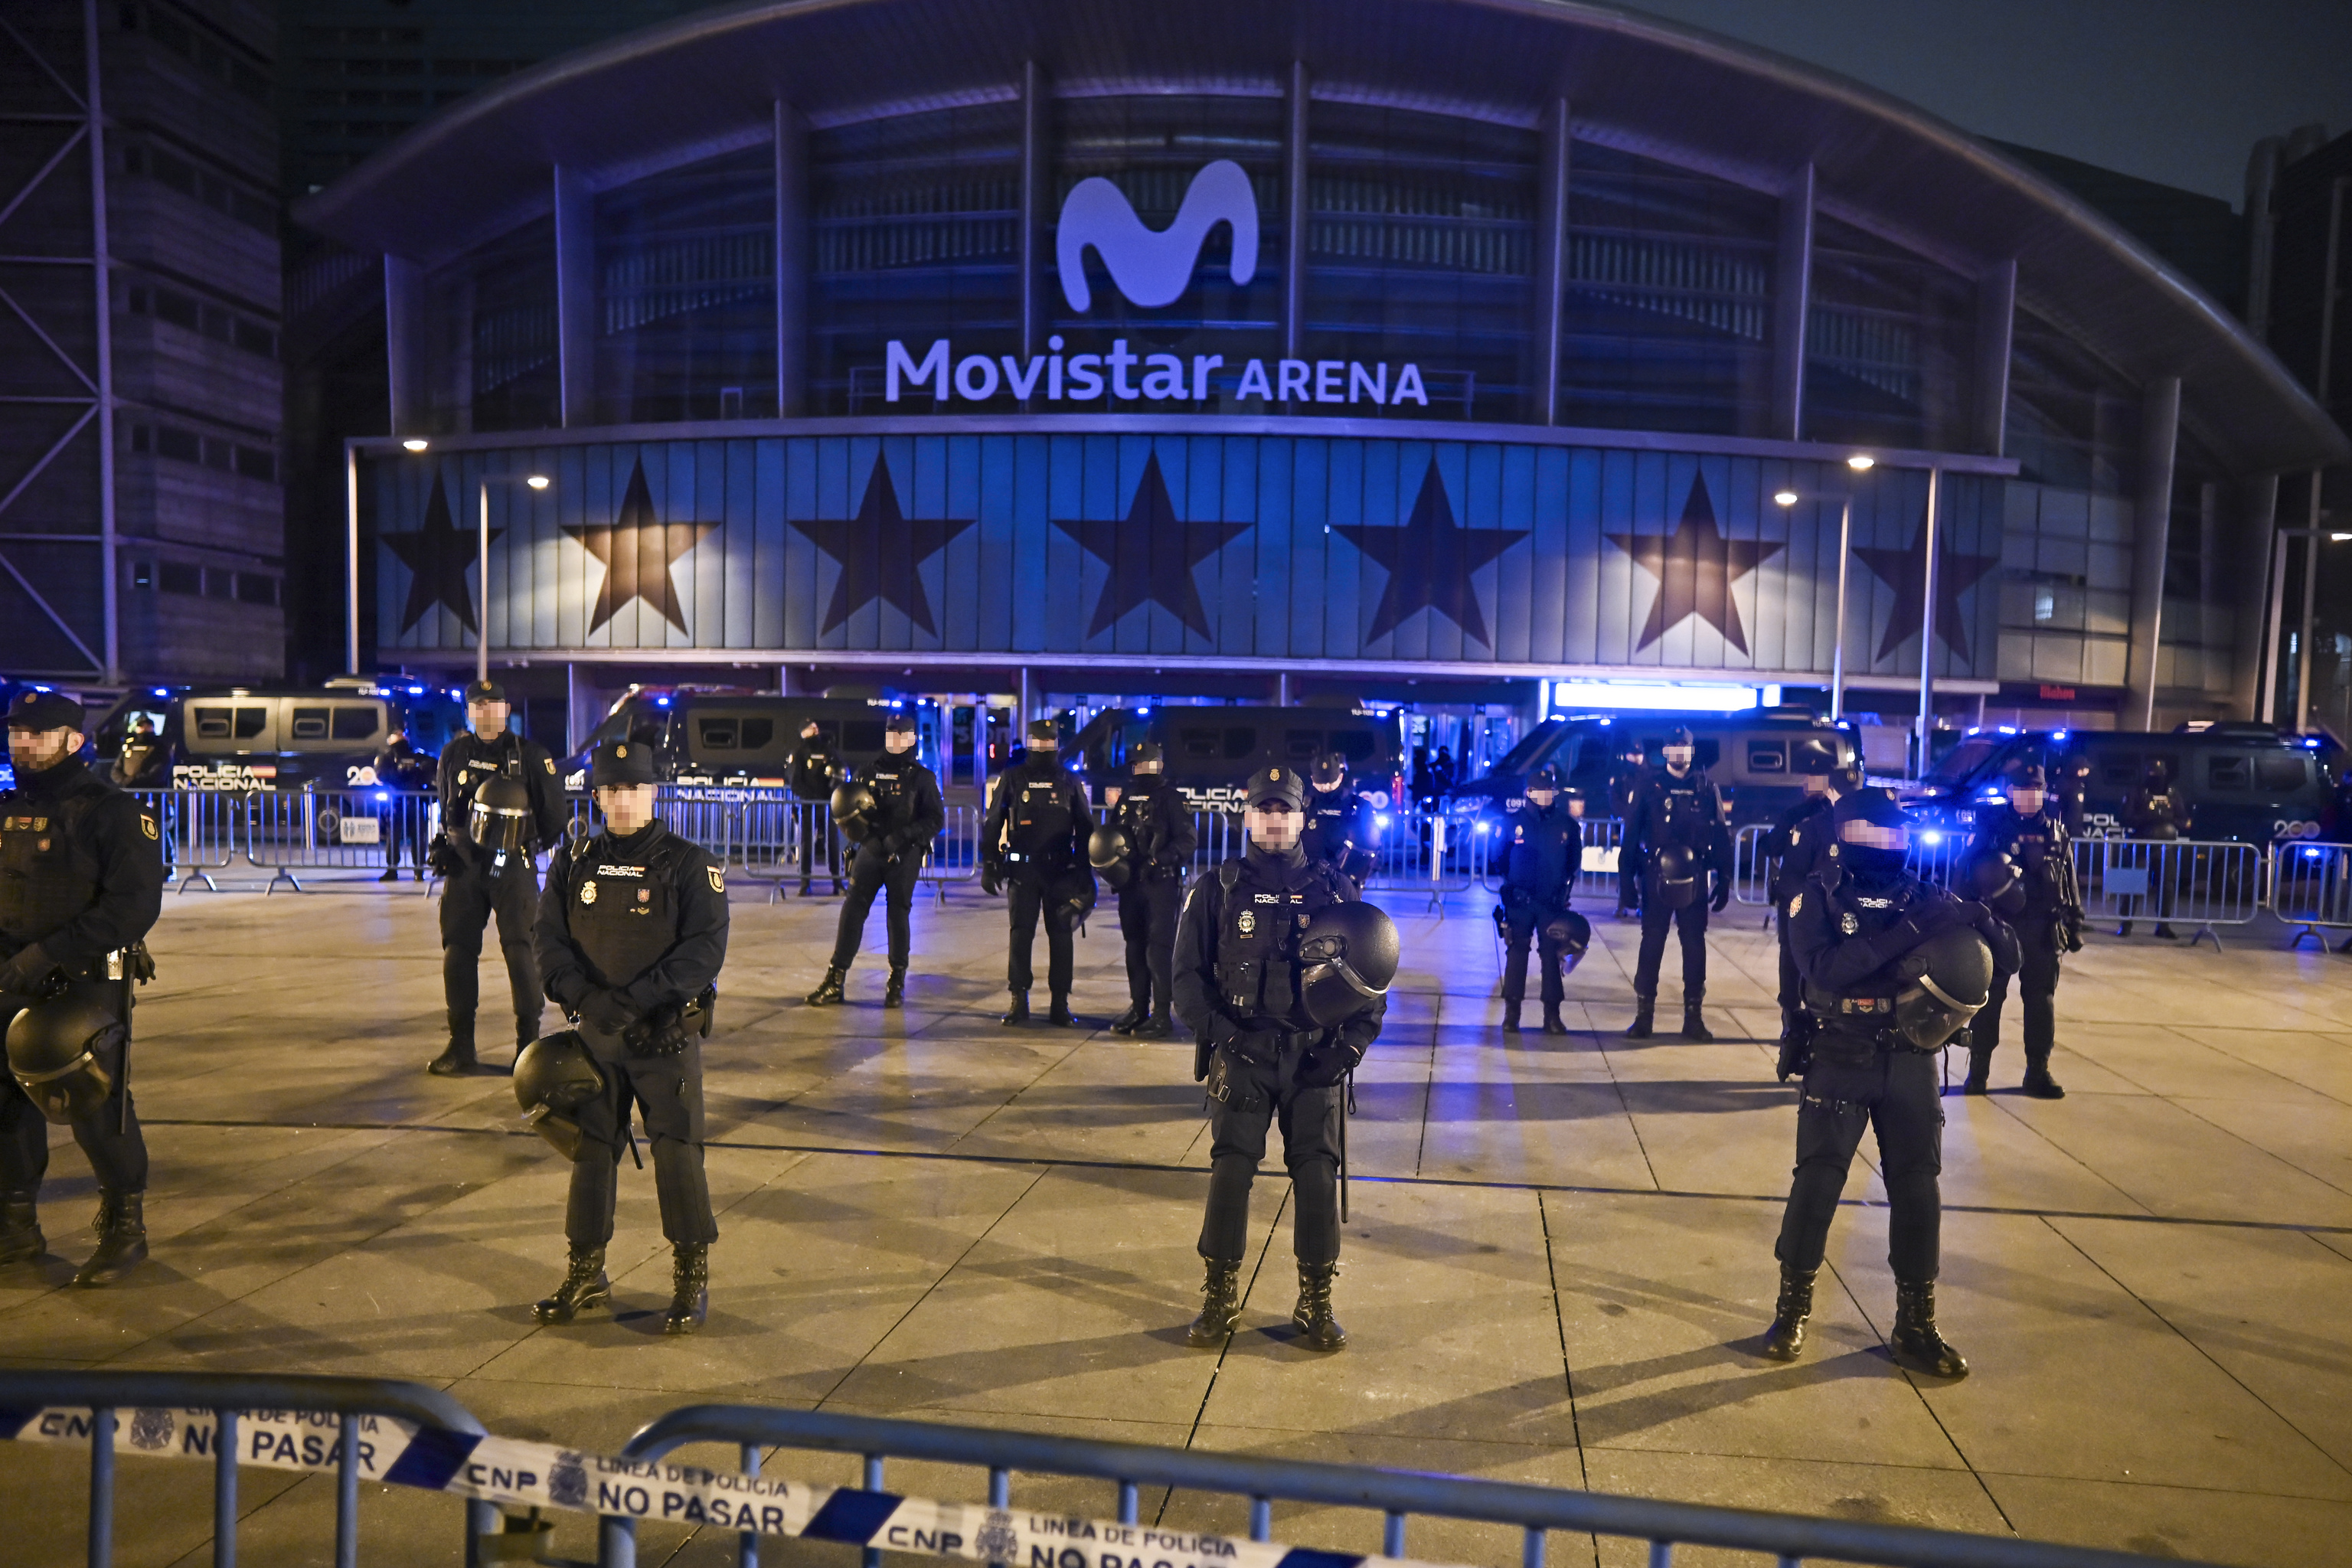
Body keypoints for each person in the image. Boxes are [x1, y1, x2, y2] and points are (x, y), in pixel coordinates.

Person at [1760, 786, 2017, 1378]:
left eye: (1897, 832)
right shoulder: (1815, 898)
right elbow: (1826, 968)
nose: (1892, 841)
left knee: (1918, 1190)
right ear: (1846, 832)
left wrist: (1983, 916)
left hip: (1910, 1056)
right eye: (1879, 831)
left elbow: (2007, 961)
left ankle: (1916, 1325)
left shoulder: (1923, 894)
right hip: (1840, 1052)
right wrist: (1910, 934)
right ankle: (1791, 1313)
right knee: (1818, 1184)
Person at [1174, 764, 1385, 1353]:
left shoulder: (1335, 890)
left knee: (1316, 1176)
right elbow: (1186, 982)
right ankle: (1220, 1296)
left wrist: (1347, 1051)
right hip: (1241, 1055)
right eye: (1263, 809)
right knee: (1231, 1172)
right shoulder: (1216, 889)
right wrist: (1226, 1036)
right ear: (1247, 816)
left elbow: (1371, 983)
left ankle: (1315, 1300)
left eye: (1284, 810)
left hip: (1313, 1058)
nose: (1274, 820)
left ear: (1301, 817)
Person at [529, 737, 729, 1334]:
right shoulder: (574, 860)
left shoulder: (690, 865)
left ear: (653, 792)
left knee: (678, 1155)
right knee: (592, 1154)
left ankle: (690, 1282)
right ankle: (585, 1273)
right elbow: (548, 940)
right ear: (597, 796)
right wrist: (587, 1000)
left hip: (662, 1037)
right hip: (597, 1037)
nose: (623, 800)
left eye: (634, 789)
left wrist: (636, 1002)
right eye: (612, 790)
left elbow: (704, 951)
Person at [0, 690, 164, 1286]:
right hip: (12, 977)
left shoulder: (111, 811)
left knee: (95, 1103)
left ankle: (125, 1232)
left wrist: (46, 955)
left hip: (85, 979)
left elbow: (132, 906)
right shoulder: (9, 807)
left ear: (74, 740)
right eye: (16, 732)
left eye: (38, 734)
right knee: (7, 1104)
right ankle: (15, 1229)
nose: (23, 743)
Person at [426, 680, 566, 1076]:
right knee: (457, 950)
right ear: (470, 713)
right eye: (479, 707)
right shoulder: (454, 753)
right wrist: (446, 844)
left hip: (512, 865)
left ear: (506, 711)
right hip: (464, 865)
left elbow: (555, 817)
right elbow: (446, 803)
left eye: (494, 706)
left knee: (521, 951)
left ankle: (528, 1048)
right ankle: (461, 1045)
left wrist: (526, 847)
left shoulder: (531, 756)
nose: (486, 713)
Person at [806, 711, 944, 1008]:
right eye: (891, 733)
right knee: (853, 911)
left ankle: (897, 981)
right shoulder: (868, 771)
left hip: (904, 853)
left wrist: (905, 835)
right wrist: (866, 839)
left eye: (901, 734)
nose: (895, 739)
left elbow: (935, 819)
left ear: (912, 738)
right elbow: (848, 809)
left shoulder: (922, 778)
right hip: (870, 849)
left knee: (898, 914)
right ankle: (835, 980)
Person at [1961, 763, 2081, 1098]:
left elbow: (2069, 878)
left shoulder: (2056, 830)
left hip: (2042, 927)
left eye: (2036, 789)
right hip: (1999, 925)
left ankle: (2038, 1071)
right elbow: (1965, 870)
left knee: (2041, 1000)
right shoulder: (1991, 828)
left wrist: (2075, 921)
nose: (2030, 795)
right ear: (2011, 792)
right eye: (2023, 789)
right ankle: (1979, 1070)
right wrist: (1962, 915)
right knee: (1989, 999)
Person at [1622, 726, 1732, 1040]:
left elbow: (1720, 835)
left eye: (1683, 747)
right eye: (1673, 747)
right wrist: (1625, 879)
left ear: (1691, 752)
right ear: (1665, 752)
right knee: (1652, 943)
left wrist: (1724, 877)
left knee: (1694, 946)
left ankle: (1693, 1017)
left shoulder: (1706, 788)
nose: (1678, 752)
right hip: (1656, 878)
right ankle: (1644, 1016)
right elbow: (1631, 834)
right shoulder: (1649, 786)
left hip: (1694, 878)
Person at [982, 718, 1093, 1026]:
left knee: (1061, 936)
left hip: (1061, 871)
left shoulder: (1070, 781)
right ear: (1030, 743)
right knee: (1021, 934)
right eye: (1038, 742)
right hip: (1023, 869)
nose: (1044, 748)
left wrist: (1085, 871)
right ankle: (1019, 999)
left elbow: (1085, 828)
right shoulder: (1013, 777)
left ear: (1056, 744)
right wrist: (989, 864)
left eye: (1049, 742)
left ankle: (1060, 1003)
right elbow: (994, 821)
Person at [1762, 744, 1858, 1050]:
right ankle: (1792, 1021)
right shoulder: (1802, 818)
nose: (1809, 784)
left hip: (1840, 909)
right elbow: (1781, 858)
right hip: (1803, 905)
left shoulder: (1857, 823)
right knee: (1792, 961)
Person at [1106, 740, 1197, 1037]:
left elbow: (1187, 840)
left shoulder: (1172, 799)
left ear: (1159, 765)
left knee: (1158, 950)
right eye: (1137, 764)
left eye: (1146, 763)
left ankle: (1161, 1015)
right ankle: (1138, 1009)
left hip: (1162, 884)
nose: (1141, 769)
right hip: (1130, 883)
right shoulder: (1126, 798)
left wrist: (1159, 860)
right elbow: (1113, 834)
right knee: (1134, 946)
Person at [1496, 765, 1580, 1034]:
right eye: (1539, 791)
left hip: (1551, 901)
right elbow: (1499, 858)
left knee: (1551, 956)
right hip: (1519, 901)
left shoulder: (1566, 825)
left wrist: (1560, 891)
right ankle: (1512, 1013)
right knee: (1517, 952)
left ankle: (1552, 1015)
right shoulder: (1512, 823)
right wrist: (1513, 885)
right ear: (1528, 792)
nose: (1545, 795)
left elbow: (1573, 862)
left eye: (1549, 790)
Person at [2117, 758, 2185, 938]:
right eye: (2153, 773)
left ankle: (2163, 925)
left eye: (2159, 774)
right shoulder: (2136, 792)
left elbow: (2183, 819)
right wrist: (2148, 818)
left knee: (2167, 886)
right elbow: (2125, 818)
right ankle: (2126, 924)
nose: (2156, 777)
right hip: (2141, 845)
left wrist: (2169, 820)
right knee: (2133, 884)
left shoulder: (2172, 793)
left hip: (2165, 847)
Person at [1299, 751, 1376, 889]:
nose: (1325, 787)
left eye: (1330, 783)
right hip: (1308, 881)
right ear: (1312, 779)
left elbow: (1373, 849)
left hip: (1344, 882)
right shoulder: (1304, 805)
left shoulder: (1358, 807)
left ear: (1340, 777)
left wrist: (1351, 877)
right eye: (1320, 783)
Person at [788, 718, 844, 897]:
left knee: (833, 844)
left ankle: (837, 882)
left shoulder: (828, 749)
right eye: (811, 728)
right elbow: (795, 782)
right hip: (809, 805)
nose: (815, 729)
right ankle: (805, 883)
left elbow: (840, 769)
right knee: (806, 845)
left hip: (828, 804)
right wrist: (810, 797)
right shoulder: (800, 752)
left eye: (815, 726)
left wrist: (835, 786)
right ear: (803, 732)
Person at [373, 727, 431, 882]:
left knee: (412, 837)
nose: (401, 737)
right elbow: (381, 775)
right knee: (397, 837)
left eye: (401, 734)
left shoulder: (413, 755)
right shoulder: (389, 757)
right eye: (398, 735)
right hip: (400, 801)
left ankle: (413, 870)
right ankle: (401, 870)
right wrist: (401, 772)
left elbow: (430, 767)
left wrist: (416, 770)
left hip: (408, 801)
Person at [1607, 740, 1647, 917]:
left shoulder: (1649, 776)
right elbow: (1614, 799)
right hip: (1628, 828)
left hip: (1644, 829)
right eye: (1632, 754)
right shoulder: (1621, 775)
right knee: (1625, 869)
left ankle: (1643, 905)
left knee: (1644, 870)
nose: (1635, 758)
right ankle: (1622, 904)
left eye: (1638, 754)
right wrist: (1627, 815)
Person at [109, 717, 170, 791]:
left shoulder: (160, 747)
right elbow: (116, 769)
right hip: (126, 791)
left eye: (147, 726)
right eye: (141, 726)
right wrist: (124, 780)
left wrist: (134, 781)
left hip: (150, 792)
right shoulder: (129, 745)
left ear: (152, 728)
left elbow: (158, 772)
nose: (144, 729)